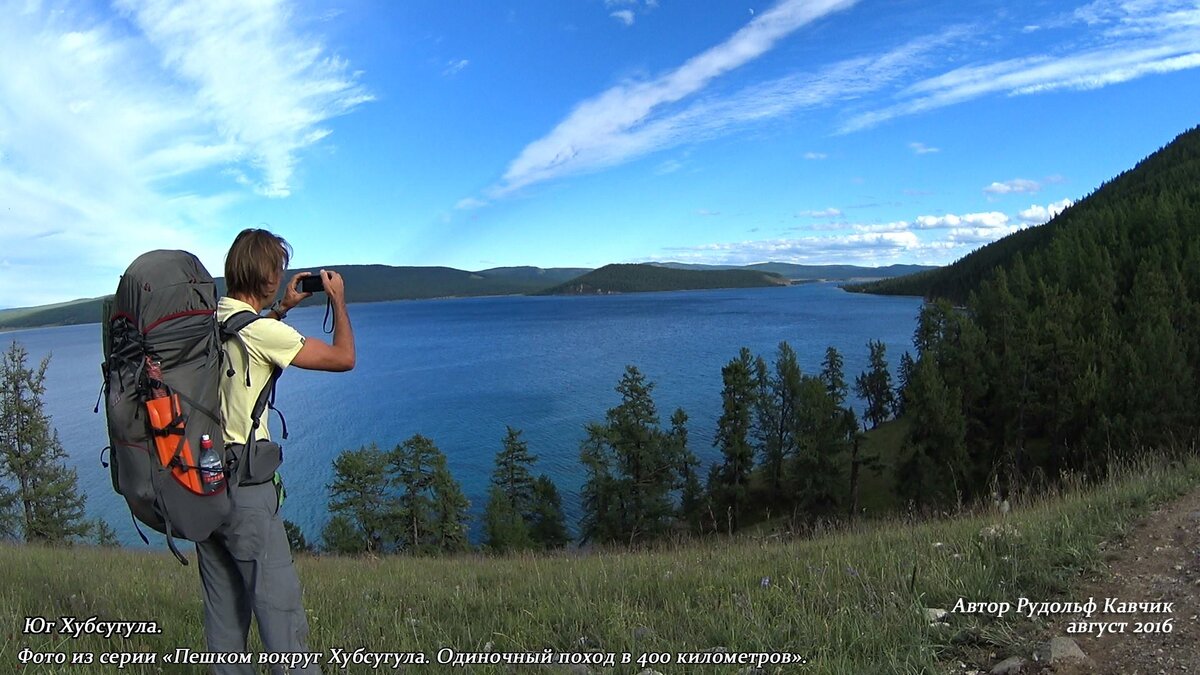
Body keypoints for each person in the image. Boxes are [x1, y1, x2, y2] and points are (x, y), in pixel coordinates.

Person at [198, 228, 355, 674]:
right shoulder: (264, 332)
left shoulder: (207, 323)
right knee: (282, 621)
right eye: (278, 269)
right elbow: (344, 358)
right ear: (268, 275)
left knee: (225, 625)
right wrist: (337, 300)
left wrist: (282, 308)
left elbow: (247, 341)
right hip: (246, 493)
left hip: (202, 483)